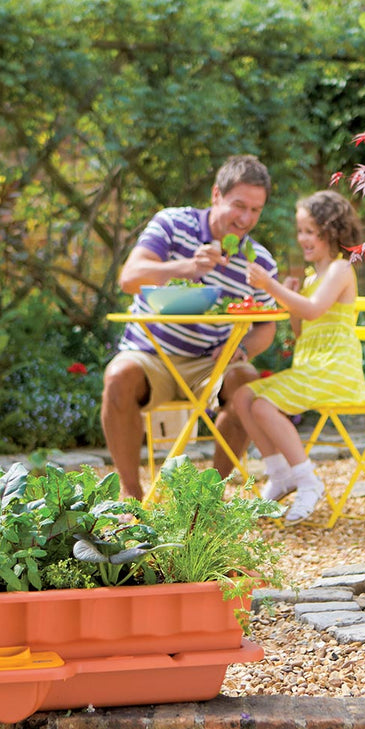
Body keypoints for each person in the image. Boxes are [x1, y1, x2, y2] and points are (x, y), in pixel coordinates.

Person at [102, 155, 279, 500]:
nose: (245, 219)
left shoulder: (259, 260)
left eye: (255, 210)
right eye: (238, 205)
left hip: (212, 364)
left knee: (246, 383)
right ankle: (131, 496)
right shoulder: (172, 224)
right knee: (117, 377)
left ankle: (209, 498)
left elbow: (266, 327)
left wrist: (241, 350)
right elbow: (129, 278)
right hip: (150, 355)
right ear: (216, 195)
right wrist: (184, 267)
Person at [231, 189, 365, 524]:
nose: (302, 239)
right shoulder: (310, 279)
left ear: (330, 231)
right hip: (311, 368)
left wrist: (272, 287)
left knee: (263, 405)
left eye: (310, 231)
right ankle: (280, 474)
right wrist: (291, 294)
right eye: (301, 231)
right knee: (243, 396)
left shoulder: (340, 269)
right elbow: (300, 328)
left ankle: (308, 480)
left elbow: (313, 310)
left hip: (335, 369)